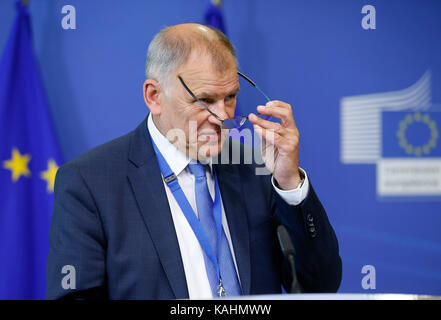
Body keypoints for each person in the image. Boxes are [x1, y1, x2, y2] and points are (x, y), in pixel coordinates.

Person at [46, 23, 341, 299]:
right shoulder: (90, 182)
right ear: (154, 96)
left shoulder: (258, 169)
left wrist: (289, 183)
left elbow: (319, 285)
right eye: (205, 100)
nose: (224, 117)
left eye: (230, 97)